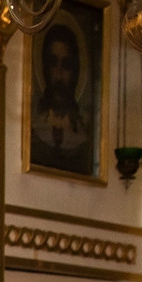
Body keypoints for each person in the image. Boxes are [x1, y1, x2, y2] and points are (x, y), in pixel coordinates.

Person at [30, 23, 93, 175]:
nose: (59, 74)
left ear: (75, 71)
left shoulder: (84, 130)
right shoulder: (35, 124)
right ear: (45, 68)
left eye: (66, 65)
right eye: (53, 63)